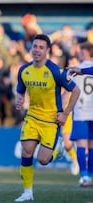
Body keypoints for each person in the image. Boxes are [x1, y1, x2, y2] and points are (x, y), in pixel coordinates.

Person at [14, 34, 80, 202]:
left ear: (47, 51)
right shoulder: (24, 70)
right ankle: (27, 192)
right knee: (26, 150)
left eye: (41, 47)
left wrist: (65, 114)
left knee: (43, 160)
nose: (37, 50)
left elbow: (76, 90)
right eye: (35, 46)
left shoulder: (56, 71)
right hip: (32, 117)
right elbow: (20, 90)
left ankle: (58, 148)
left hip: (51, 121)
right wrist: (19, 98)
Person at [67, 42, 93, 187]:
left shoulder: (77, 69)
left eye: (82, 51)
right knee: (92, 145)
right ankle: (89, 175)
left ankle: (84, 176)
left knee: (82, 145)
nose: (80, 53)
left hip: (81, 111)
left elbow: (68, 90)